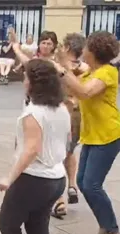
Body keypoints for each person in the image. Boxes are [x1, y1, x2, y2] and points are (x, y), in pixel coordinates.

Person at [0, 59, 70, 234]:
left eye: (26, 77)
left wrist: (9, 178)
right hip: (56, 178)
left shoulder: (33, 113)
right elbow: (64, 144)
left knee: (7, 223)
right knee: (38, 226)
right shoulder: (61, 108)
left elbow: (31, 150)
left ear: (34, 83)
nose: (23, 81)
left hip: (33, 179)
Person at [54, 31, 120, 234]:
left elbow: (84, 92)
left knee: (92, 184)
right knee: (83, 182)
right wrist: (65, 68)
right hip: (92, 134)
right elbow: (73, 85)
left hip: (109, 134)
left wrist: (64, 68)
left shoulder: (108, 72)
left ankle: (112, 231)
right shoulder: (90, 70)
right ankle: (105, 225)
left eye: (87, 47)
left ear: (94, 51)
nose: (83, 51)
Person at [50, 33, 87, 219]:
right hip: (77, 115)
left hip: (60, 114)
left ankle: (59, 201)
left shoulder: (59, 68)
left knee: (55, 155)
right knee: (70, 152)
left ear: (67, 48)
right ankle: (72, 186)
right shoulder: (84, 68)